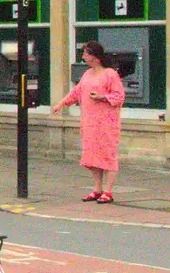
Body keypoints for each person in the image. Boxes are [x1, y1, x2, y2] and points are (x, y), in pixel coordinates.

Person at [51, 40, 126, 203]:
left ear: (95, 57)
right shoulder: (87, 74)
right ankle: (97, 189)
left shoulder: (110, 74)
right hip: (89, 122)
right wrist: (61, 104)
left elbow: (119, 96)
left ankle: (109, 190)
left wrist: (102, 97)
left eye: (86, 54)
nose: (83, 57)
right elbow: (76, 92)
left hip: (106, 123)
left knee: (108, 155)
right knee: (93, 157)